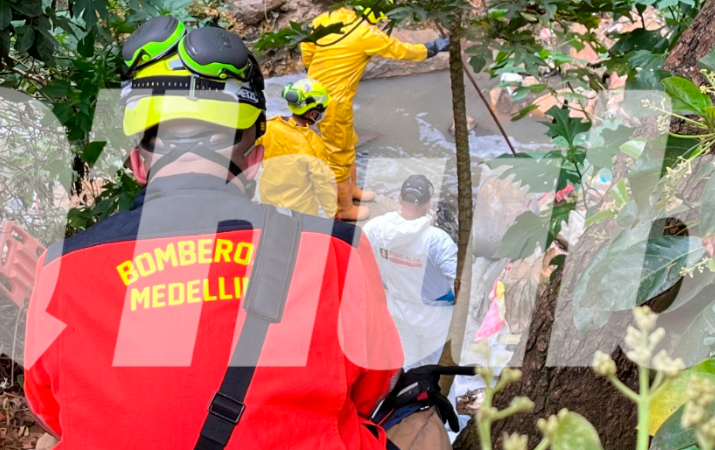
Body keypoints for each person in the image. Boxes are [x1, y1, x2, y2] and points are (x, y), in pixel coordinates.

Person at [24, 19, 403, 450]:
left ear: (138, 165)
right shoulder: (337, 252)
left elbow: (50, 408)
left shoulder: (62, 265)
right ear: (256, 160)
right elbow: (373, 386)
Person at [302, 6, 450, 221]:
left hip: (317, 94)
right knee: (338, 155)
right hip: (334, 102)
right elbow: (400, 51)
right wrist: (433, 47)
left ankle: (351, 190)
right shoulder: (365, 33)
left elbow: (307, 50)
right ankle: (343, 209)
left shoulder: (325, 18)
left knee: (348, 142)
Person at [363, 175, 457, 369]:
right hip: (435, 314)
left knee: (406, 366)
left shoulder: (376, 228)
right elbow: (458, 281)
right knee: (438, 369)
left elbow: (359, 260)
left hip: (397, 308)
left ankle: (407, 399)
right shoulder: (437, 240)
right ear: (428, 203)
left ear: (399, 198)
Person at [254, 78, 338, 217]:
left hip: (268, 202)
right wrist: (333, 211)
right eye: (322, 110)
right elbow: (323, 183)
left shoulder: (270, 125)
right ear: (313, 114)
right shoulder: (312, 143)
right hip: (302, 210)